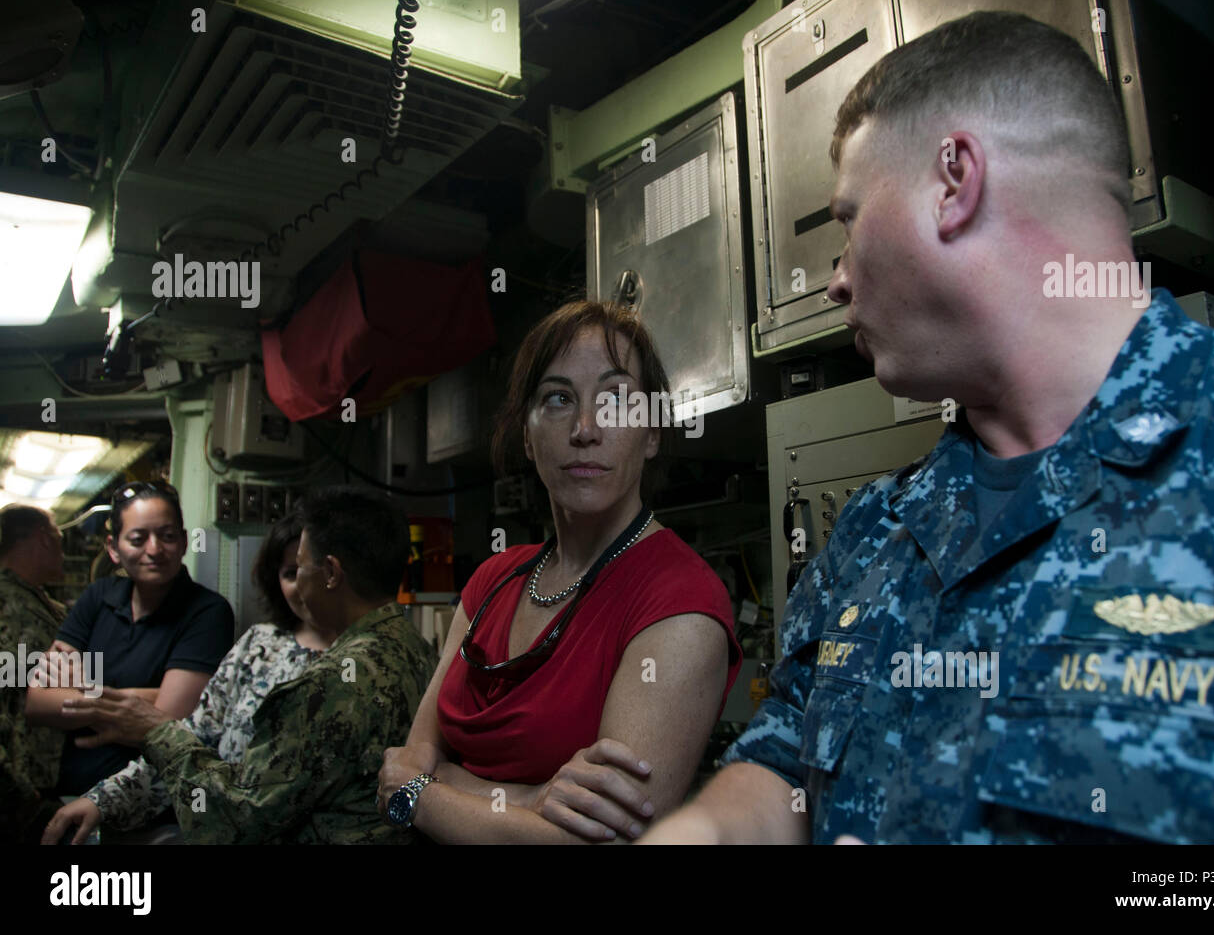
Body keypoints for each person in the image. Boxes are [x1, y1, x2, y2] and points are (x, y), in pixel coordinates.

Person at [641, 11, 1214, 844]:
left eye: (847, 221)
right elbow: (786, 758)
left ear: (954, 181)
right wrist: (700, 834)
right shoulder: (875, 531)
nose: (837, 281)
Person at [378, 300, 742, 843]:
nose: (585, 428)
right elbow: (407, 762)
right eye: (558, 399)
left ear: (652, 433)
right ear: (527, 435)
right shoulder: (492, 580)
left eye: (616, 400)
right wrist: (531, 799)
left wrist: (429, 794)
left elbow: (595, 837)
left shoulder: (680, 599)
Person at [58, 485, 434, 843]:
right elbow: (202, 731)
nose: (298, 585)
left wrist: (157, 730)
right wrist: (104, 799)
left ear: (331, 573)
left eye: (301, 567)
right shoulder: (416, 651)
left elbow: (238, 820)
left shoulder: (329, 683)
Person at [41, 510, 328, 844]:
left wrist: (91, 696)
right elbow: (192, 741)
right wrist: (101, 801)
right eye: (290, 574)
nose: (303, 587)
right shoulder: (260, 645)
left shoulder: (365, 659)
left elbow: (172, 712)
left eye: (312, 571)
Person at [25, 481, 234, 796]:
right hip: (70, 789)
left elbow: (169, 723)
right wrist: (138, 699)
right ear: (113, 548)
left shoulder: (207, 612)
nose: (154, 549)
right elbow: (36, 700)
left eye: (167, 536)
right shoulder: (98, 597)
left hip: (149, 798)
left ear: (184, 541)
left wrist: (82, 690)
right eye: (138, 539)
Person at [0, 505, 68, 842]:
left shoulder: (35, 601)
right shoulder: (10, 606)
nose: (63, 550)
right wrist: (20, 789)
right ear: (43, 539)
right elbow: (11, 700)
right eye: (59, 538)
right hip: (21, 791)